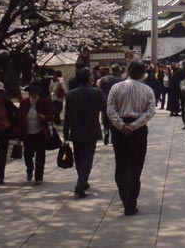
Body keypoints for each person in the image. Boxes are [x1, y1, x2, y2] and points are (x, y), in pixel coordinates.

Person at [106, 60, 156, 216]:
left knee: (121, 163)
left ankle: (124, 196)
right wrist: (134, 126)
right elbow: (150, 112)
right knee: (135, 166)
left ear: (127, 70)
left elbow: (110, 108)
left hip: (119, 130)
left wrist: (121, 125)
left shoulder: (116, 87)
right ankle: (131, 202)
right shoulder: (147, 90)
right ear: (142, 73)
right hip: (138, 130)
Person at [63, 68, 105, 198]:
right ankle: (81, 183)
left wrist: (65, 132)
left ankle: (83, 180)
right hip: (91, 128)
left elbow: (67, 116)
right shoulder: (96, 92)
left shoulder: (70, 94)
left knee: (79, 157)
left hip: (76, 129)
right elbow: (105, 108)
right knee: (88, 157)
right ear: (89, 78)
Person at [18, 84, 53, 184]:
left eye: (33, 91)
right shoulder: (24, 102)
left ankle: (38, 177)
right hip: (28, 133)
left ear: (38, 92)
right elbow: (20, 117)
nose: (31, 93)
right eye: (30, 91)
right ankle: (29, 169)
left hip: (40, 132)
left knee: (40, 156)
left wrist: (44, 117)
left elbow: (51, 116)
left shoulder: (44, 102)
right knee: (27, 155)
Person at [98, 64, 125, 144]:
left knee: (105, 119)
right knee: (114, 119)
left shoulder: (104, 79)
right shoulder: (121, 80)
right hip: (117, 102)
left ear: (111, 70)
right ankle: (113, 137)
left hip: (105, 101)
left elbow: (101, 91)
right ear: (118, 70)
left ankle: (106, 131)